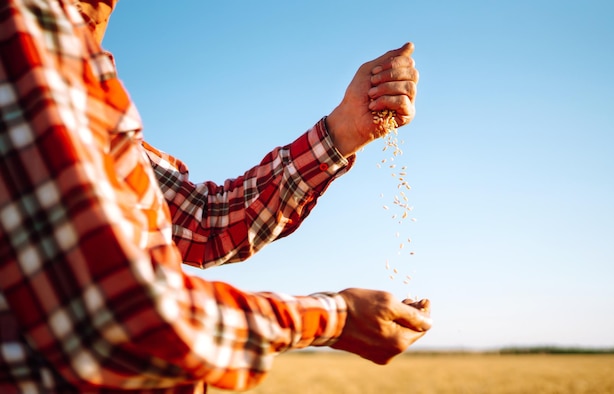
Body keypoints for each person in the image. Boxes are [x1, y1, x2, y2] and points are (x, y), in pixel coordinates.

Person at [0, 0, 432, 392]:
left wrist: (344, 129)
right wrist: (334, 319)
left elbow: (205, 222)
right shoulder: (27, 30)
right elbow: (124, 317)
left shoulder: (72, 58)